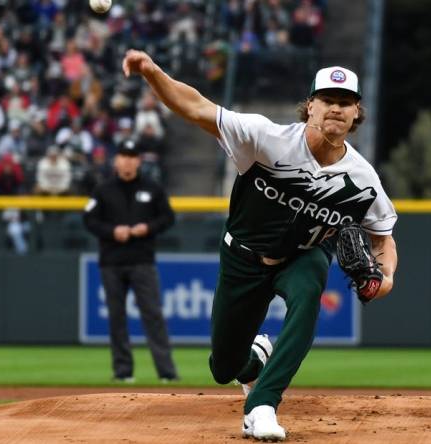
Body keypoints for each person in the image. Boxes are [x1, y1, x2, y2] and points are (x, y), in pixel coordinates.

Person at [122, 50, 398, 441]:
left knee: (309, 291)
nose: (335, 109)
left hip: (302, 257)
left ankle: (262, 405)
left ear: (356, 113)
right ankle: (254, 362)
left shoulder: (362, 179)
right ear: (311, 107)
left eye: (344, 103)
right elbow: (196, 107)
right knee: (224, 367)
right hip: (243, 257)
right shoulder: (266, 139)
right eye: (327, 100)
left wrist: (385, 276)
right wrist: (152, 72)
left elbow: (383, 236)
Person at [83, 139, 179, 383]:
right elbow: (89, 220)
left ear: (138, 160)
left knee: (153, 315)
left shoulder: (152, 188)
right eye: (123, 155)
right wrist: (112, 231)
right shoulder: (103, 190)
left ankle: (166, 373)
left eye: (132, 156)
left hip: (142, 260)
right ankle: (123, 371)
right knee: (116, 317)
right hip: (112, 261)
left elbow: (168, 217)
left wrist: (147, 227)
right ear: (116, 160)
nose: (127, 160)